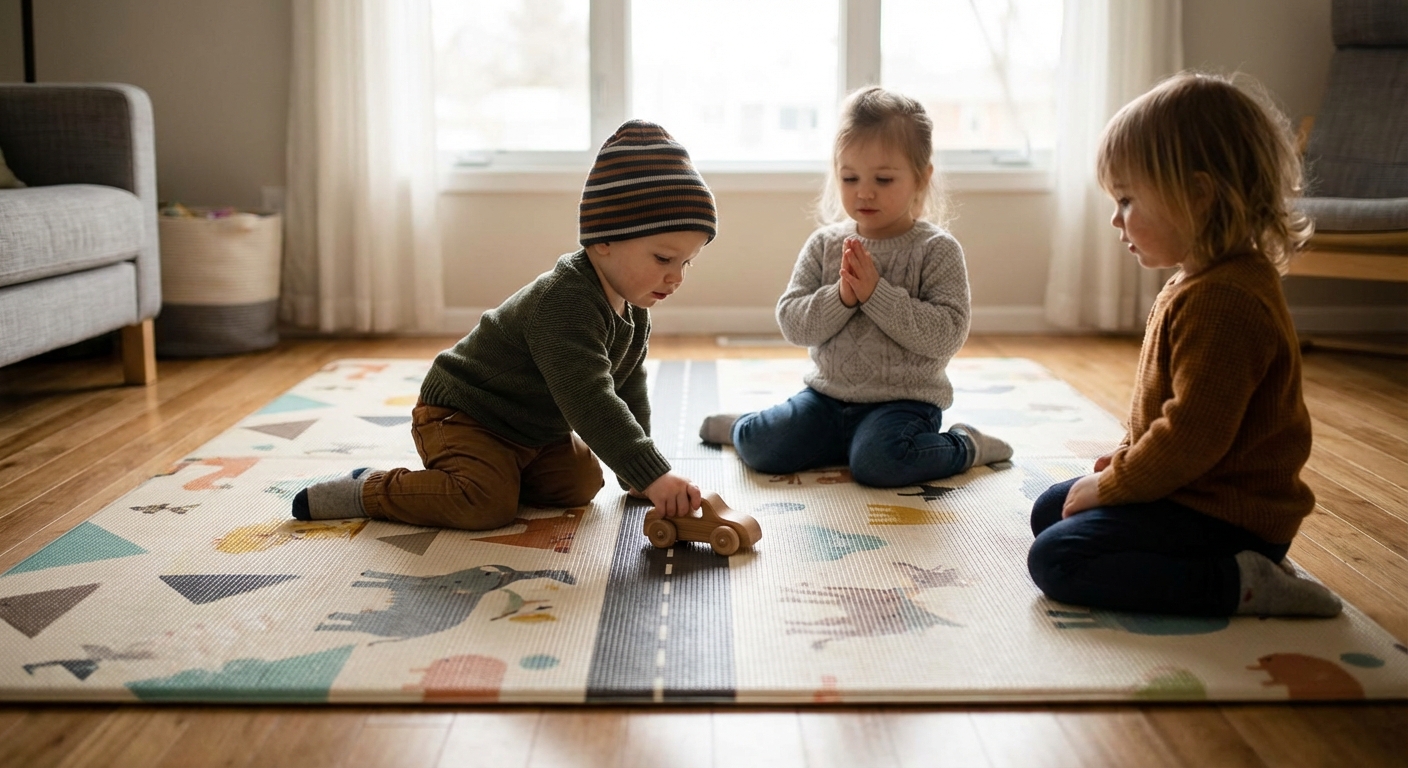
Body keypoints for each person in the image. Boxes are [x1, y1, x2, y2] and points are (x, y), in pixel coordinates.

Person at [292, 120, 717, 529]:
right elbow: (590, 400)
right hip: (466, 414)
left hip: (532, 428)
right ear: (603, 240)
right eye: (663, 259)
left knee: (580, 484)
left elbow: (627, 387)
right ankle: (368, 489)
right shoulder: (564, 303)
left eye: (687, 263)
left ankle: (502, 472)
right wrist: (653, 474)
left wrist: (640, 475)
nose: (676, 276)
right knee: (482, 505)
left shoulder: (633, 308)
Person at [1027, 72, 1341, 618]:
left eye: (1127, 200)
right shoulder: (1200, 280)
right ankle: (1227, 567)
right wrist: (1120, 468)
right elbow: (1165, 417)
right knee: (1052, 509)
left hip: (1226, 516)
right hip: (1194, 492)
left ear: (1196, 195)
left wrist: (1115, 485)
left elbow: (1189, 437)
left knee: (1057, 560)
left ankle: (1239, 580)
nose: (1114, 218)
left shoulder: (1226, 301)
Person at [698, 86, 1012, 487]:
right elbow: (793, 322)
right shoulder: (826, 244)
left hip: (904, 404)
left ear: (921, 177)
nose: (864, 191)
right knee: (764, 448)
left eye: (883, 178)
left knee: (880, 464)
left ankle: (966, 445)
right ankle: (748, 426)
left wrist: (876, 295)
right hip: (827, 398)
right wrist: (842, 298)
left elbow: (946, 335)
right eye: (850, 177)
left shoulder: (937, 249)